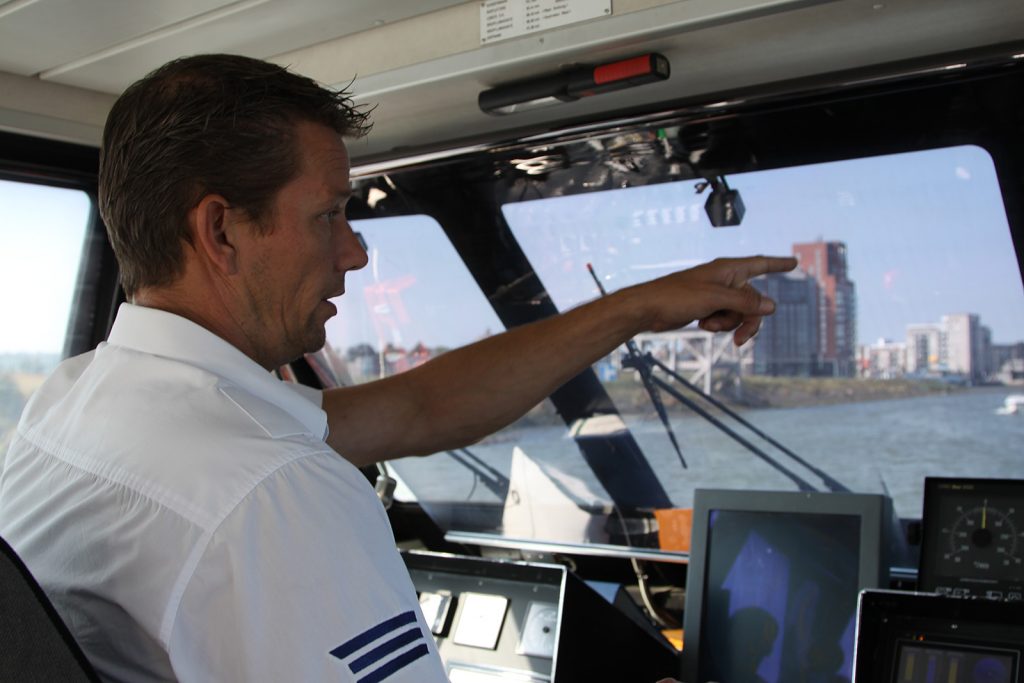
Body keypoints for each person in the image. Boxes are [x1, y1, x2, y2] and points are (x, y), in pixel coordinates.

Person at [0, 54, 796, 682]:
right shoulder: (271, 497)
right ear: (221, 232)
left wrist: (636, 307)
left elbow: (414, 411)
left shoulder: (76, 406)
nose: (355, 250)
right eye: (329, 214)